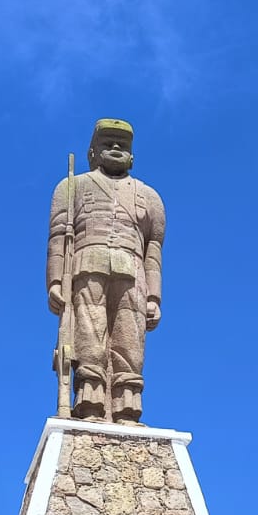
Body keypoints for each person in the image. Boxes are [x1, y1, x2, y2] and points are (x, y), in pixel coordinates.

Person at [47, 118, 166, 423]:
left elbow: (153, 249)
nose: (115, 148)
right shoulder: (73, 186)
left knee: (130, 339)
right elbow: (59, 236)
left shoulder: (149, 197)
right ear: (92, 152)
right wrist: (55, 281)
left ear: (132, 155)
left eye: (122, 145)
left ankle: (127, 404)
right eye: (107, 143)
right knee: (90, 332)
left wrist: (154, 297)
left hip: (133, 271)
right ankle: (91, 403)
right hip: (87, 264)